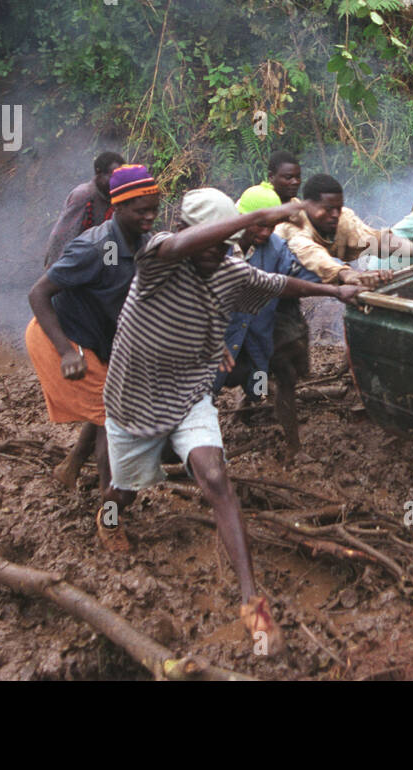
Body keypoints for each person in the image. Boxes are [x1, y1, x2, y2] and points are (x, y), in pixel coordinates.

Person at [101, 188, 365, 653]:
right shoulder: (159, 255)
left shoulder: (227, 268)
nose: (216, 255)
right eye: (210, 243)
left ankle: (251, 601)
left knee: (216, 477)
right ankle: (110, 515)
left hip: (189, 393)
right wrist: (259, 215)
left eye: (225, 246)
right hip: (135, 398)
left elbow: (278, 285)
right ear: (185, 231)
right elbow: (184, 247)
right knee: (125, 490)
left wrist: (334, 290)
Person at [26, 164, 160, 491]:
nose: (150, 218)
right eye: (142, 211)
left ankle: (70, 468)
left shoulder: (143, 244)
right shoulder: (94, 247)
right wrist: (66, 353)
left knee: (105, 407)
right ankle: (109, 511)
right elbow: (38, 293)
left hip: (97, 340)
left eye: (154, 210)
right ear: (119, 207)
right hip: (60, 336)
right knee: (112, 421)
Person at [215, 201, 320, 463]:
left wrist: (343, 275)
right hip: (221, 341)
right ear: (242, 218)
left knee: (285, 375)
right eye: (260, 225)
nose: (265, 233)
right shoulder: (218, 248)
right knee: (205, 390)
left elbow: (301, 273)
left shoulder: (276, 248)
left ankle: (293, 447)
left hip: (259, 334)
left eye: (271, 226)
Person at [276, 173, 413, 284]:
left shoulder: (342, 217)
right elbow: (312, 254)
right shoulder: (292, 225)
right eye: (328, 209)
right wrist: (346, 273)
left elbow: (379, 241)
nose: (335, 214)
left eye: (338, 207)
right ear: (308, 205)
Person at [44, 151, 126, 268]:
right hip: (76, 264)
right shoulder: (83, 195)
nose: (117, 182)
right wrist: (57, 271)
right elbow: (63, 236)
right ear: (99, 172)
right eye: (113, 176)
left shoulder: (115, 197)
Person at [236, 150, 303, 212]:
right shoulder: (252, 202)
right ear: (271, 176)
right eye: (288, 177)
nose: (295, 182)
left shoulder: (299, 208)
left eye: (298, 177)